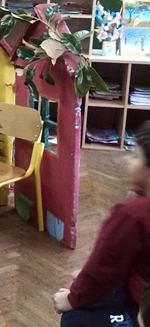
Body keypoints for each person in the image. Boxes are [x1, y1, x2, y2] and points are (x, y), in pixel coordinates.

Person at [53, 120, 150, 327]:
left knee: (72, 321)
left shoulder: (132, 213)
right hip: (138, 290)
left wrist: (73, 298)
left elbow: (102, 266)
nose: (127, 159)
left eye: (135, 156)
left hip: (138, 304)